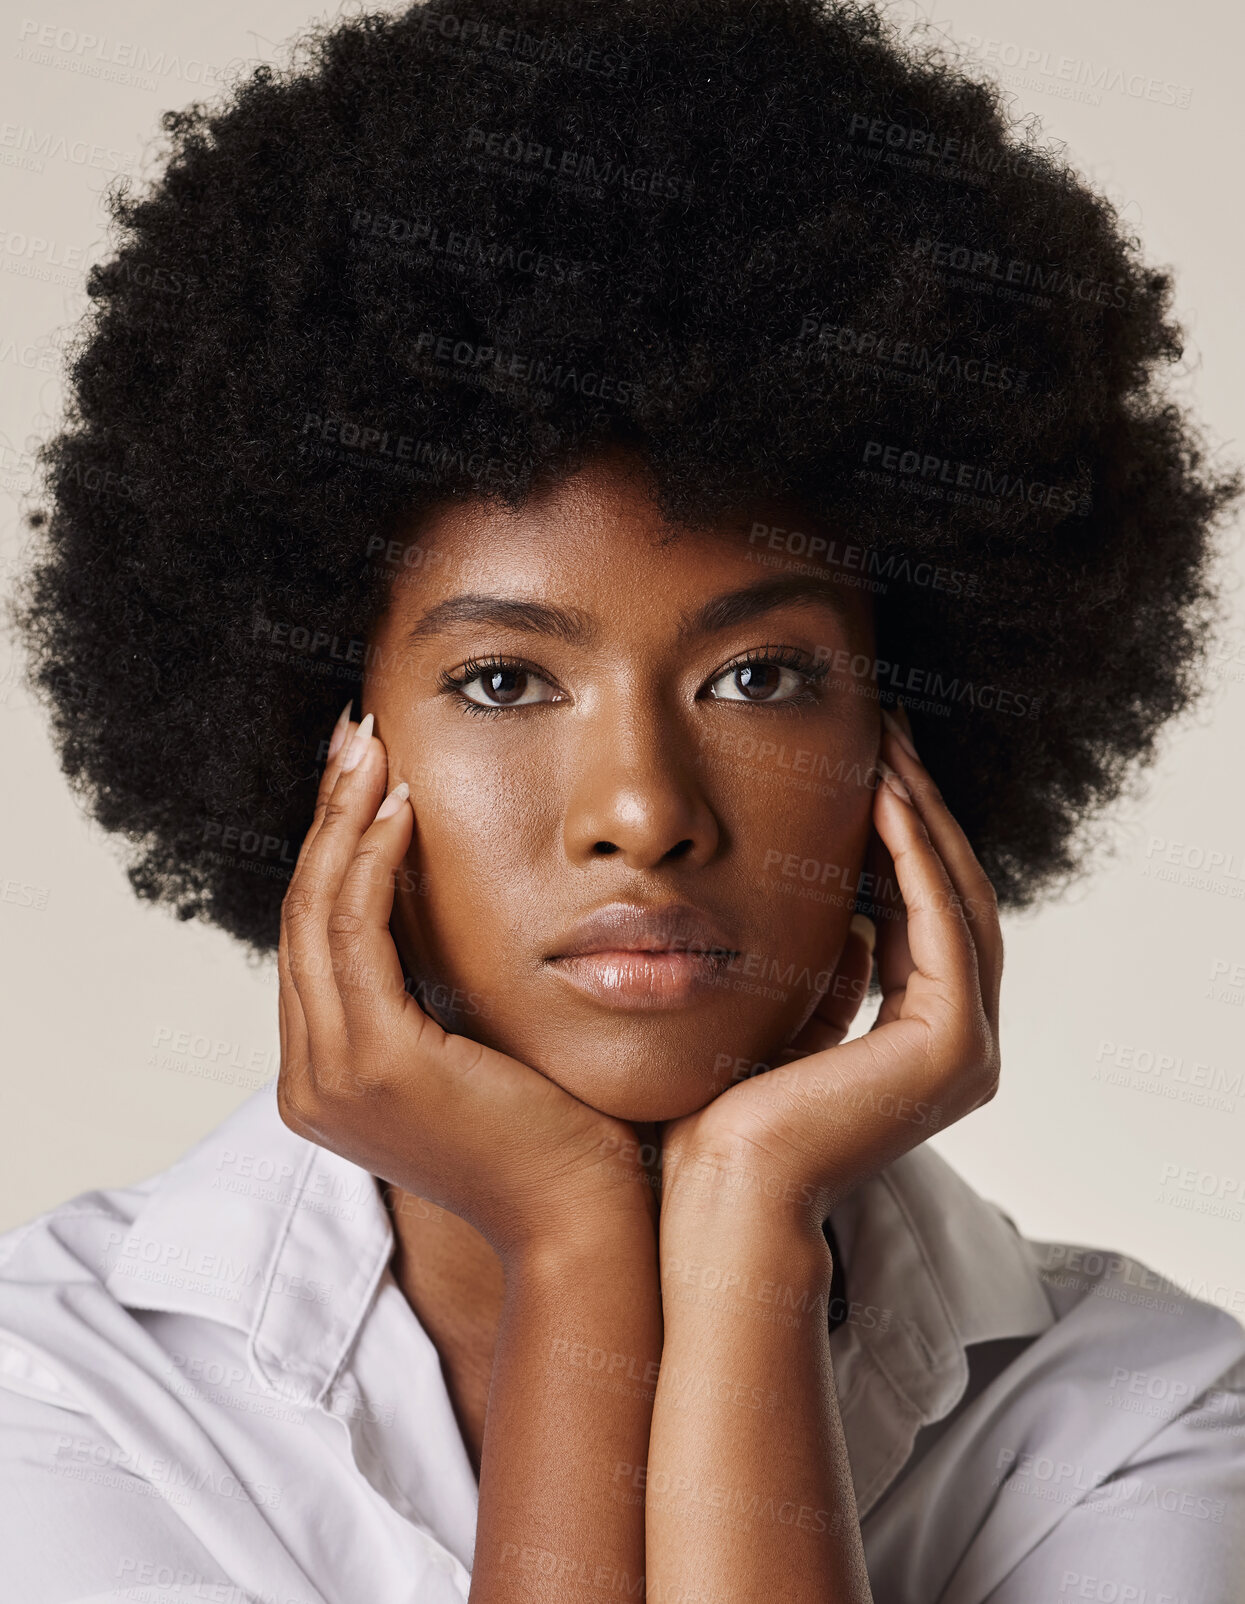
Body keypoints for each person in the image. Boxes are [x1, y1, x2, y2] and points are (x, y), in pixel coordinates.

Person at [4, 1, 1243, 1600]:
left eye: (761, 678)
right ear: (315, 743)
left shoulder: (1134, 1422)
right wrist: (575, 1252)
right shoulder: (66, 1404)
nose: (642, 812)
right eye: (506, 682)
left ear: (909, 740)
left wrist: (742, 1234)